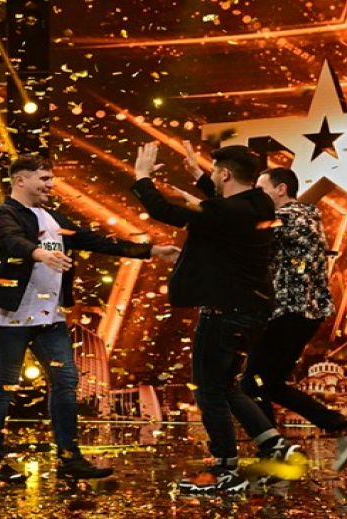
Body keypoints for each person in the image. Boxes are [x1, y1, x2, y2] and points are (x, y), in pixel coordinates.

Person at [0, 154, 180, 484]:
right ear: (20, 180)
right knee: (3, 387)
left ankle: (69, 458)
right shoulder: (3, 213)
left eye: (51, 178)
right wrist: (41, 253)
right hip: (11, 318)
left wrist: (152, 251)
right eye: (43, 179)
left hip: (49, 318)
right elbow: (11, 241)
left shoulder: (53, 217)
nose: (50, 184)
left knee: (67, 382)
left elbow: (95, 241)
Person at [131, 142, 300, 494]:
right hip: (252, 311)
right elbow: (225, 207)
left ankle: (225, 469)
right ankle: (274, 446)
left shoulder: (227, 212)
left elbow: (163, 210)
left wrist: (142, 176)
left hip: (225, 313)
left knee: (209, 391)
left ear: (224, 174)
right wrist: (199, 176)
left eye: (214, 173)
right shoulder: (260, 203)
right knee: (226, 387)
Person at [241, 167, 347, 472]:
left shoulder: (290, 217)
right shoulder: (304, 217)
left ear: (281, 189)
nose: (258, 197)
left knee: (251, 383)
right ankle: (342, 426)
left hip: (289, 313)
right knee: (269, 383)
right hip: (298, 314)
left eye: (262, 190)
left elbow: (242, 229)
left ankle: (275, 450)